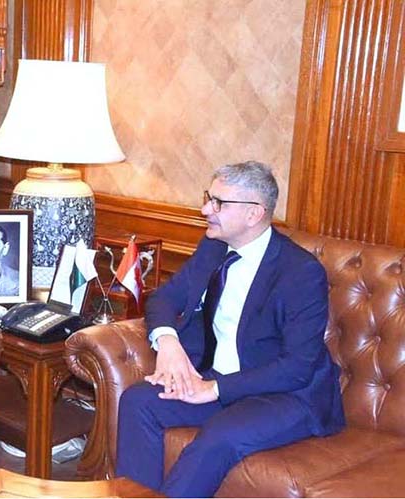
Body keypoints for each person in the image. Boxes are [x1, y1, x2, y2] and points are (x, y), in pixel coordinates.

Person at [115, 161, 344, 497]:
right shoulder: (214, 247)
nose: (206, 209)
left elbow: (297, 368)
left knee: (218, 437)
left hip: (285, 395)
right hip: (215, 377)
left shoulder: (300, 272)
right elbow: (164, 298)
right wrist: (168, 342)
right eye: (209, 197)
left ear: (254, 213)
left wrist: (214, 389)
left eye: (219, 203)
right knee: (138, 402)